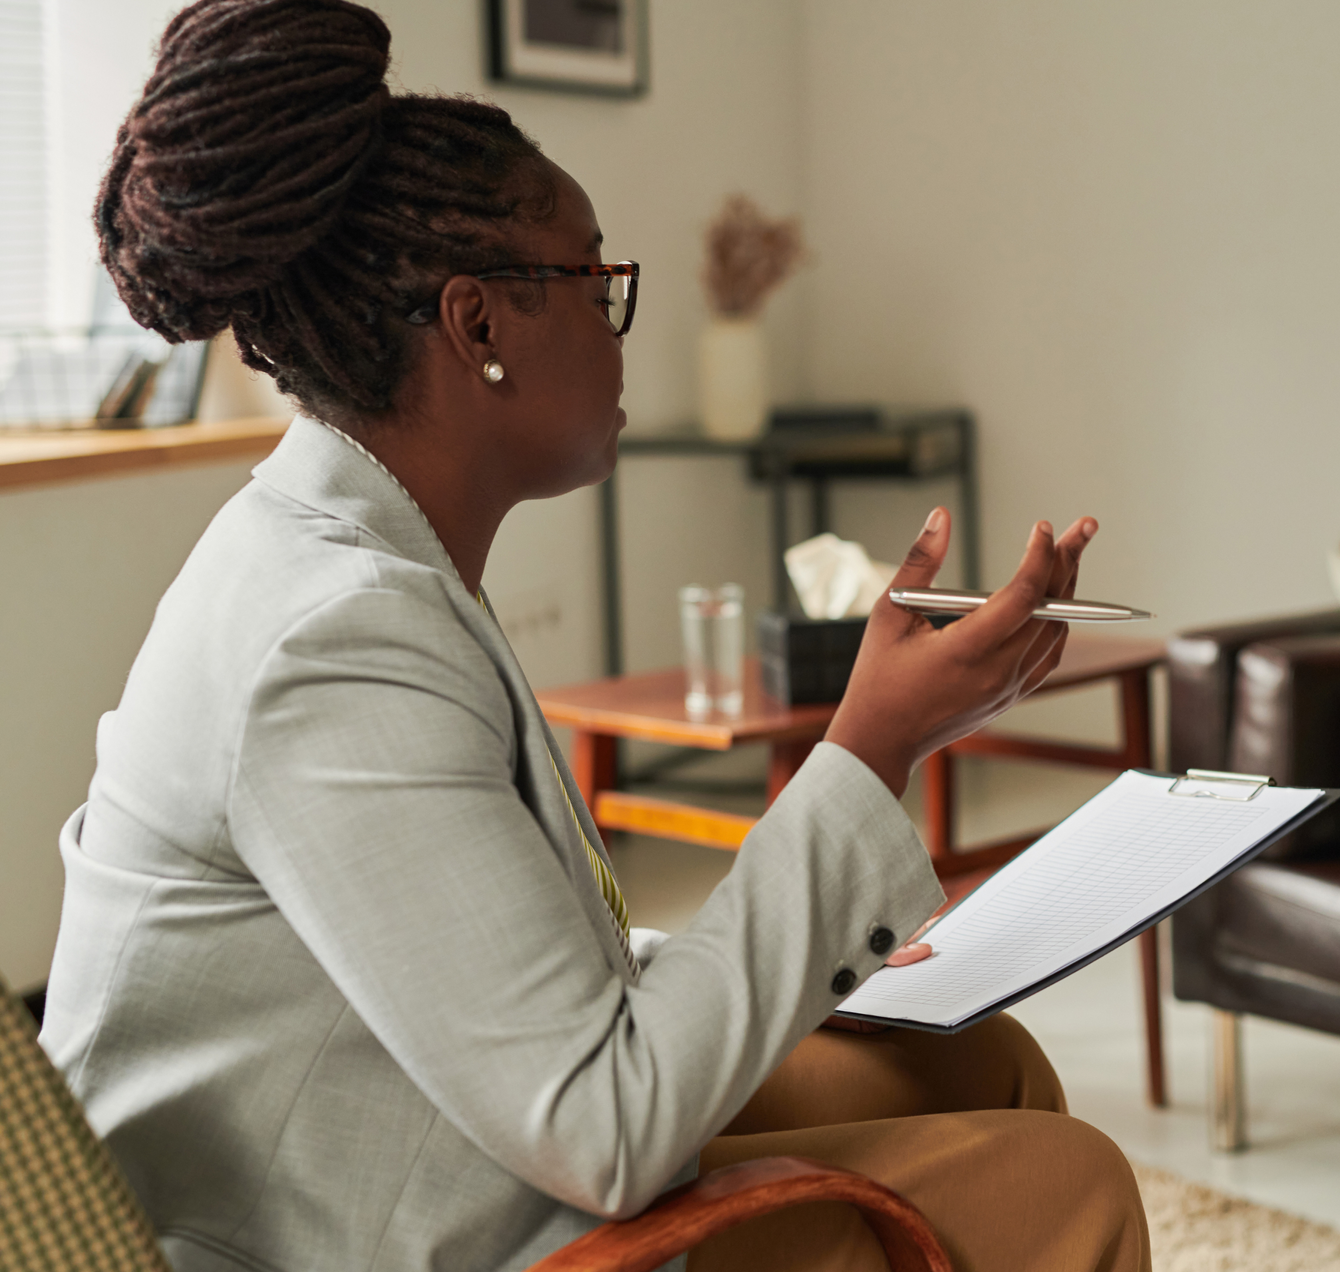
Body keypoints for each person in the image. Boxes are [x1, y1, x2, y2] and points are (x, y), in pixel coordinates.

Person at [38, 2, 1148, 1269]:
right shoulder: (330, 642)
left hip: (444, 1124)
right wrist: (871, 743)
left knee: (981, 1060)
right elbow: (605, 1126)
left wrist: (838, 946)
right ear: (479, 326)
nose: (622, 325)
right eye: (596, 277)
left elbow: (489, 947)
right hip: (351, 1229)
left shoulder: (361, 555)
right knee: (1068, 1185)